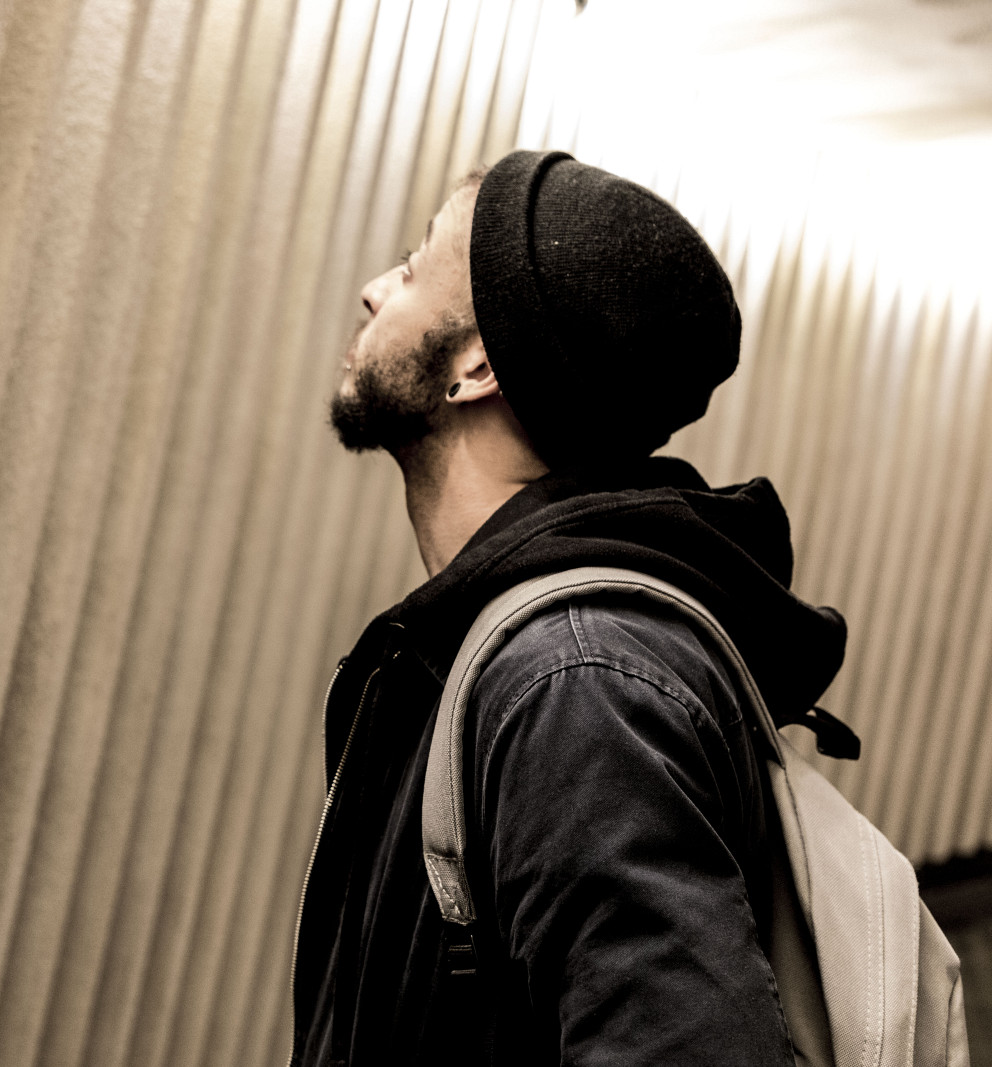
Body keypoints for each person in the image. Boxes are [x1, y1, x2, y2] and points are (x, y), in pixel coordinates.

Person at [290, 149, 848, 1065]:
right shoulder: (507, 657)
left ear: (476, 366)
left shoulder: (572, 684)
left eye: (413, 266)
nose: (373, 288)